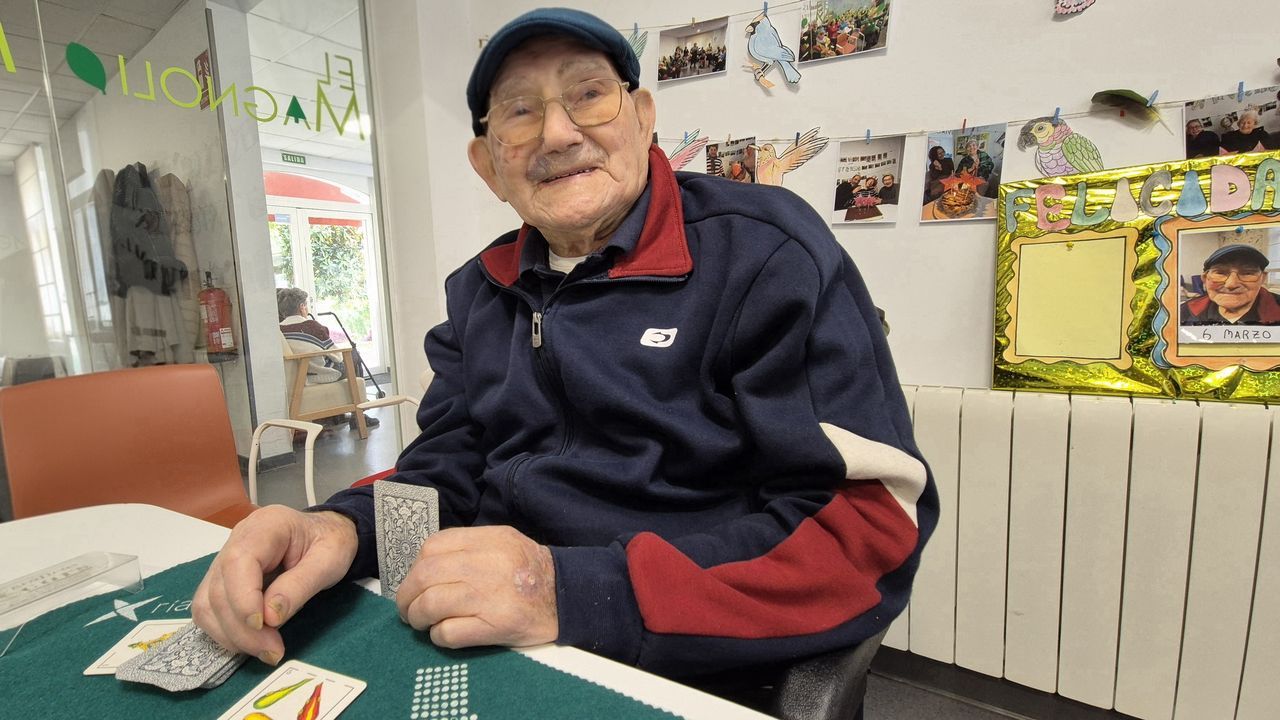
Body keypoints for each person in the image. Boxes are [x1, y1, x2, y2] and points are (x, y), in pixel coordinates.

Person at [194, 7, 934, 692]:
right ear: (488, 165)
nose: (556, 134)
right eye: (520, 112)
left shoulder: (765, 255)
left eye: (588, 95)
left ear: (644, 119)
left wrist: (566, 591)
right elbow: (444, 470)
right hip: (499, 642)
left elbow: (868, 530)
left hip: (688, 659)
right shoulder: (479, 291)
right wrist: (336, 528)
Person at [276, 287, 379, 427]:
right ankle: (358, 416)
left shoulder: (279, 329)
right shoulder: (311, 326)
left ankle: (339, 416)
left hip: (304, 375)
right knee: (353, 354)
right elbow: (337, 356)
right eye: (306, 305)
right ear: (301, 307)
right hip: (323, 373)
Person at [1180, 244, 1280, 325]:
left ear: (1262, 278)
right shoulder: (1184, 312)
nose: (1231, 284)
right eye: (1220, 273)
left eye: (1247, 273)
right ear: (1205, 278)